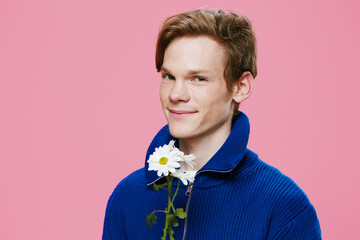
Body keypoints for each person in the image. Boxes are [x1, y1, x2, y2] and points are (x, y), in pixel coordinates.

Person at [102, 8, 322, 239]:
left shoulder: (285, 208)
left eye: (198, 79)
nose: (176, 94)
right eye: (169, 77)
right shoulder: (127, 196)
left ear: (240, 87)